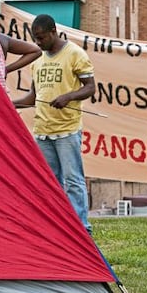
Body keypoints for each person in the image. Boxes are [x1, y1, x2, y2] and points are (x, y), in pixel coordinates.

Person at [13, 14, 95, 234]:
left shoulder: (75, 54)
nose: (38, 43)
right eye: (35, 39)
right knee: (50, 184)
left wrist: (68, 97)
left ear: (53, 32)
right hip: (42, 131)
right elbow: (32, 97)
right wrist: (10, 104)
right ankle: (57, 230)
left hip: (67, 130)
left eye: (41, 38)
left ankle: (82, 229)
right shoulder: (37, 60)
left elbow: (90, 88)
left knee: (73, 181)